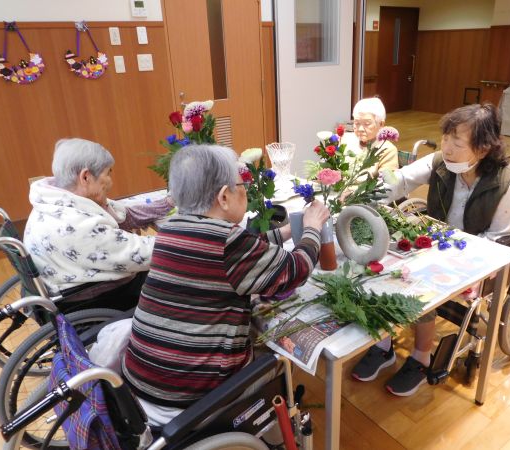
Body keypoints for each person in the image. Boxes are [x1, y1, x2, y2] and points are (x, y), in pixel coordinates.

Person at [121, 144, 329, 424]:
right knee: (279, 356)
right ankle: (276, 427)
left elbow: (247, 250)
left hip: (141, 383)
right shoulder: (227, 242)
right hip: (193, 399)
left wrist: (288, 231)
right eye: (242, 185)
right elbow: (296, 270)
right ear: (223, 197)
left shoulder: (170, 230)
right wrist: (313, 228)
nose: (245, 190)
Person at [351, 103, 510, 396]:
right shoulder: (440, 162)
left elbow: (498, 237)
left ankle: (421, 357)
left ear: (483, 149)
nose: (447, 148)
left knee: (419, 284)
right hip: (435, 245)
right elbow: (401, 180)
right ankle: (383, 344)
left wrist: (466, 266)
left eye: (457, 143)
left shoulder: (507, 182)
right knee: (379, 262)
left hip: (476, 257)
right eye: (445, 138)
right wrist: (363, 195)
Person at [24, 138, 173, 312]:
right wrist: (190, 237)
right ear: (85, 177)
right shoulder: (78, 225)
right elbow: (146, 253)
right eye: (108, 173)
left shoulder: (55, 200)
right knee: (176, 276)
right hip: (97, 299)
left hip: (72, 283)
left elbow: (124, 215)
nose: (110, 182)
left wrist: (168, 202)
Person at [341, 97, 399, 178]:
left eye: (367, 124)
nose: (360, 129)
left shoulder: (388, 150)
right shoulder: (346, 139)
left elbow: (389, 181)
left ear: (381, 124)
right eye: (357, 123)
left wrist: (375, 175)